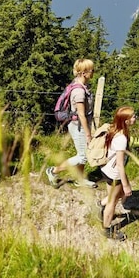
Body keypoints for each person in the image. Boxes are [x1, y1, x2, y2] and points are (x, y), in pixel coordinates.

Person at [45, 58, 97, 188]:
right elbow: (81, 114)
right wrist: (88, 134)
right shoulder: (79, 91)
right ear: (84, 72)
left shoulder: (80, 85)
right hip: (78, 126)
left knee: (83, 153)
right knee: (83, 156)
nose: (93, 72)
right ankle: (53, 171)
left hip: (81, 125)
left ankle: (80, 178)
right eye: (92, 70)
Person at [98, 106, 136, 241]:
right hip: (114, 173)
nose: (135, 118)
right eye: (132, 116)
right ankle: (107, 228)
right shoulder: (121, 139)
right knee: (113, 201)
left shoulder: (115, 130)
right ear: (126, 121)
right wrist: (126, 185)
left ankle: (102, 204)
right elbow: (120, 164)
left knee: (115, 195)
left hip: (106, 169)